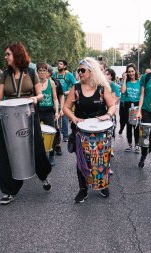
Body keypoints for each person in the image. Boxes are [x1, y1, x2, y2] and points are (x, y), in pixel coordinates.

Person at [0, 42, 52, 205]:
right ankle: (8, 190)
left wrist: (35, 98)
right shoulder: (5, 74)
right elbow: (0, 96)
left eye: (8, 54)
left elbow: (40, 95)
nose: (5, 57)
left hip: (28, 114)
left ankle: (44, 176)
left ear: (17, 54)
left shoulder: (32, 72)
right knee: (7, 153)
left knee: (37, 150)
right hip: (9, 117)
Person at [63, 57, 116, 203]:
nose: (79, 73)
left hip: (101, 133)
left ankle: (102, 185)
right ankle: (83, 189)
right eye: (78, 70)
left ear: (91, 72)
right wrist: (73, 118)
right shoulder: (76, 88)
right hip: (81, 132)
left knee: (101, 161)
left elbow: (112, 106)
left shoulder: (101, 88)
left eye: (82, 70)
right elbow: (66, 108)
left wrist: (108, 115)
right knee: (82, 161)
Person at [36, 62, 59, 166]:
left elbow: (55, 98)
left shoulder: (52, 83)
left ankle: (51, 155)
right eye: (40, 70)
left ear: (47, 72)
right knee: (37, 135)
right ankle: (40, 156)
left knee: (51, 134)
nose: (42, 72)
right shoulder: (34, 83)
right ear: (37, 72)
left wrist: (57, 111)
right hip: (38, 111)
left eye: (44, 70)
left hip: (49, 112)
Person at [52, 60, 77, 142]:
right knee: (55, 115)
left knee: (64, 116)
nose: (59, 65)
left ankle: (65, 135)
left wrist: (69, 91)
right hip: (55, 97)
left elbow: (75, 85)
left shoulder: (69, 74)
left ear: (65, 66)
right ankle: (55, 134)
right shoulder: (54, 74)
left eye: (61, 64)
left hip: (65, 97)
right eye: (58, 64)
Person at [121, 63, 141, 152]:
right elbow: (123, 91)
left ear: (135, 71)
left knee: (136, 126)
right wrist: (124, 79)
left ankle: (137, 145)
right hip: (128, 106)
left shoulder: (140, 82)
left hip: (136, 105)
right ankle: (129, 145)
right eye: (129, 72)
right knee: (128, 126)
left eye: (132, 71)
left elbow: (142, 96)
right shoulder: (127, 82)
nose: (131, 73)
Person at [47, 66, 64, 156]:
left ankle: (57, 146)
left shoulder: (56, 82)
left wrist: (61, 109)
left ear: (49, 73)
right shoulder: (38, 83)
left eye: (45, 71)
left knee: (56, 128)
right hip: (45, 110)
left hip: (55, 109)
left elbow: (61, 95)